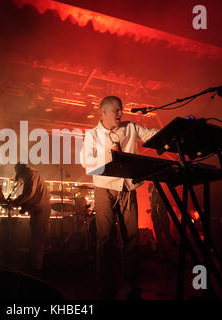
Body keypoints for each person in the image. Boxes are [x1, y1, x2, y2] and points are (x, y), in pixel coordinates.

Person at [80, 96, 159, 300]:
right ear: (102, 112)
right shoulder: (92, 134)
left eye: (121, 110)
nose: (120, 114)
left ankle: (133, 285)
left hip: (127, 188)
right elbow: (85, 162)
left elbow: (153, 135)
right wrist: (109, 156)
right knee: (105, 238)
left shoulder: (130, 127)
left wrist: (176, 132)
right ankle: (105, 286)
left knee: (131, 238)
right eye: (116, 110)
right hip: (104, 188)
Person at [8, 163, 50, 272]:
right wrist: (23, 206)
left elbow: (29, 193)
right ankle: (34, 266)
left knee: (37, 240)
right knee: (36, 239)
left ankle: (36, 269)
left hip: (40, 210)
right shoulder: (31, 175)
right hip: (38, 209)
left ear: (20, 172)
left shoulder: (30, 175)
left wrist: (16, 202)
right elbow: (33, 195)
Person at [147, 183, 176, 261]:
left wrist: (157, 208)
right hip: (156, 219)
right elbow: (154, 207)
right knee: (159, 236)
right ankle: (163, 253)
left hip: (162, 218)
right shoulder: (150, 197)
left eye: (149, 187)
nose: (148, 190)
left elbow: (163, 206)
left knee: (166, 234)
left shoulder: (159, 195)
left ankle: (173, 250)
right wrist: (150, 210)